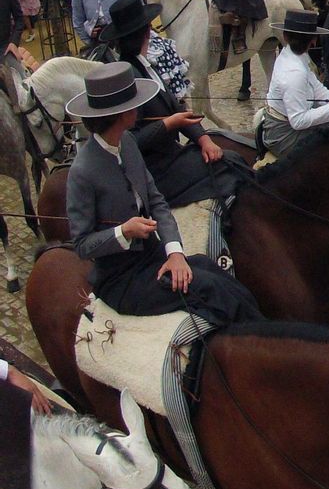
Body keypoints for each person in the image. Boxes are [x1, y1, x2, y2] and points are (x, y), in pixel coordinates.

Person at [66, 62, 262, 325]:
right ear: (120, 115)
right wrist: (123, 232)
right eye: (133, 105)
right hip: (122, 280)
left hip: (154, 256)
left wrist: (175, 252)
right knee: (211, 290)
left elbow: (156, 200)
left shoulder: (127, 143)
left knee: (215, 272)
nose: (139, 109)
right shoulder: (82, 171)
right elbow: (81, 244)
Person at [102, 0, 241, 206]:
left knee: (231, 158)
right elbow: (129, 141)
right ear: (147, 32)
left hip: (172, 154)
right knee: (231, 167)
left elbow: (177, 108)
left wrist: (204, 139)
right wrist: (168, 124)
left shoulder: (146, 65)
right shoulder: (129, 77)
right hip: (154, 169)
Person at [260, 9, 329, 158]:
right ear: (313, 40)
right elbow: (298, 121)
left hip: (290, 122)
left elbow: (315, 85)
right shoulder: (294, 72)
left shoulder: (295, 55)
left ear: (285, 36)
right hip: (284, 135)